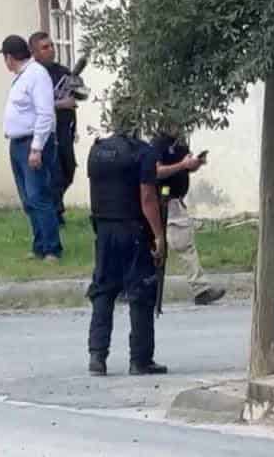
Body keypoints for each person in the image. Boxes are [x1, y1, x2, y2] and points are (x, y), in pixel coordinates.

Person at [85, 98, 168, 377]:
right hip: (133, 229)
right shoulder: (142, 153)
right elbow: (147, 198)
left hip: (104, 229)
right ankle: (140, 359)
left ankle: (97, 357)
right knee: (140, 292)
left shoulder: (96, 152)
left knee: (103, 290)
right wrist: (159, 236)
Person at [0, 34, 63, 262]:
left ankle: (52, 248)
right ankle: (39, 244)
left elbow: (45, 113)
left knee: (38, 195)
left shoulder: (36, 75)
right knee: (28, 198)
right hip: (18, 142)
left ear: (9, 57)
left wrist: (36, 148)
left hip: (32, 142)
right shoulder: (22, 76)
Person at [152, 130, 227, 306]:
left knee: (179, 245)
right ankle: (200, 289)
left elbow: (183, 168)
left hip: (176, 201)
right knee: (181, 245)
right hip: (164, 201)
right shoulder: (159, 142)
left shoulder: (180, 143)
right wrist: (183, 165)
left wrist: (195, 164)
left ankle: (199, 289)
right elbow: (156, 171)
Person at [29, 31, 77, 227]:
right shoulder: (33, 75)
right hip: (47, 131)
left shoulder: (63, 71)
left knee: (69, 168)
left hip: (66, 128)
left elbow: (75, 95)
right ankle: (55, 212)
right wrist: (59, 104)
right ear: (35, 53)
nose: (50, 50)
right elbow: (35, 105)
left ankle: (55, 204)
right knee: (53, 173)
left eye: (51, 46)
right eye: (45, 47)